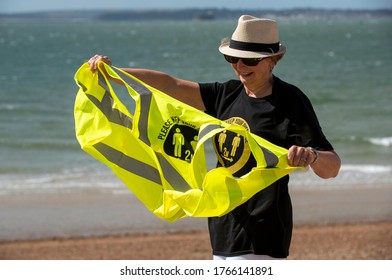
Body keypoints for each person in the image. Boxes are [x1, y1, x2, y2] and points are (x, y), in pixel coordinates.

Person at [88, 15, 341, 260]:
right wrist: (113, 74)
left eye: (249, 60)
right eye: (233, 58)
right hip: (222, 225)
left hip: (264, 231)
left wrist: (311, 156)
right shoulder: (226, 95)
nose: (239, 66)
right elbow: (170, 86)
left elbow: (332, 167)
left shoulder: (289, 102)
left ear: (272, 60)